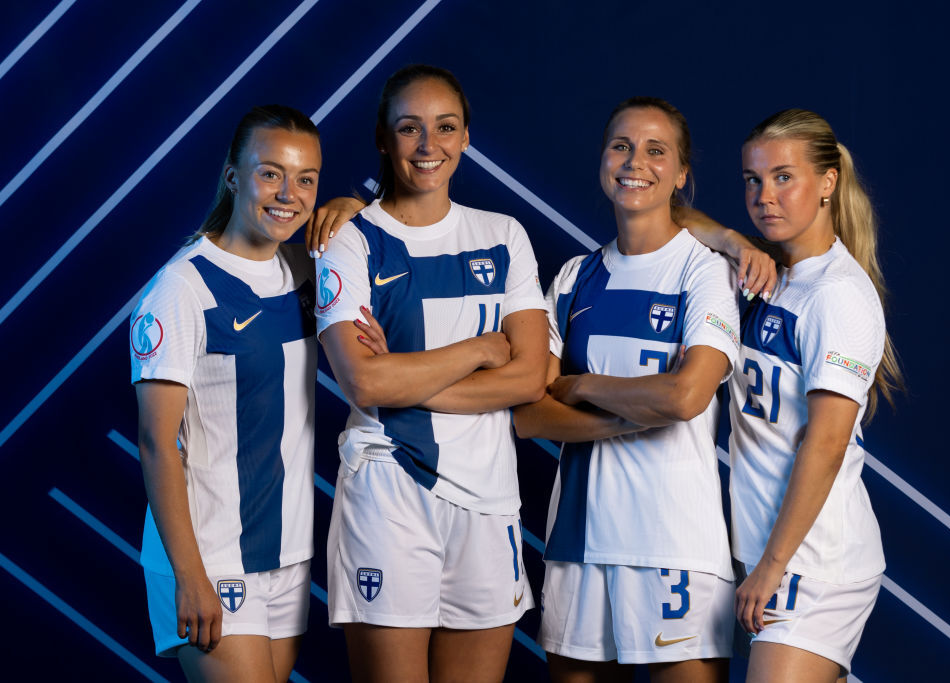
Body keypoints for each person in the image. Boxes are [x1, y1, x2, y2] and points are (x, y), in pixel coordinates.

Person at [314, 64, 548, 682]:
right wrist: (478, 348)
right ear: (384, 140)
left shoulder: (503, 236)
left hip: (489, 500)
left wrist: (403, 377)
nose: (428, 146)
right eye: (410, 129)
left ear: (465, 137)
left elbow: (527, 380)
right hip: (389, 490)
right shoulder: (350, 241)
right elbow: (364, 384)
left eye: (445, 128)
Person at [513, 97, 741, 683]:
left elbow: (687, 398)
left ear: (681, 174)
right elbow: (528, 415)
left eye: (655, 150)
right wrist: (637, 411)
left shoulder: (703, 270)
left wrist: (579, 385)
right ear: (603, 160)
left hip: (675, 547)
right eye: (622, 145)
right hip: (578, 543)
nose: (634, 161)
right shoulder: (572, 277)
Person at [694, 108, 903, 683]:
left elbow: (827, 444)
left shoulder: (838, 294)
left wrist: (772, 567)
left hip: (814, 562)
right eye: (752, 179)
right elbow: (675, 217)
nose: (765, 195)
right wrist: (736, 243)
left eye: (784, 177)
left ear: (828, 183)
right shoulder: (777, 268)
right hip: (768, 547)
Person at [131, 105, 321, 682]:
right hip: (211, 557)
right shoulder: (183, 288)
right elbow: (157, 443)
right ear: (234, 176)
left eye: (306, 179)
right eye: (270, 173)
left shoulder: (303, 275)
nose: (288, 193)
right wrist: (190, 576)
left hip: (287, 554)